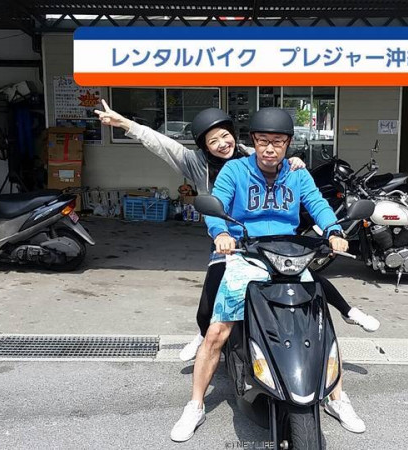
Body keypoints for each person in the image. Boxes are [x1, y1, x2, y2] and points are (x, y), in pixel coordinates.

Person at [94, 101, 379, 362]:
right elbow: (161, 144)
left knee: (305, 276)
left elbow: (278, 157)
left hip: (269, 241)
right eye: (213, 141)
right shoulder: (196, 164)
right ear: (204, 146)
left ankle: (346, 312)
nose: (222, 144)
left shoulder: (250, 154)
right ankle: (204, 335)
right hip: (229, 239)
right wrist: (125, 124)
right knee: (212, 295)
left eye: (225, 136)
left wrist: (296, 163)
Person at [170, 108, 367, 443]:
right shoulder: (235, 170)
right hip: (246, 255)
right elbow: (217, 205)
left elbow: (317, 204)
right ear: (253, 141)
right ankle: (195, 404)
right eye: (263, 141)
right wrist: (221, 233)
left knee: (320, 325)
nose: (270, 149)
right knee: (216, 332)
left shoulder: (297, 174)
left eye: (278, 142)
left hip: (290, 256)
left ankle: (336, 398)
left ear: (288, 143)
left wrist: (334, 230)